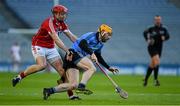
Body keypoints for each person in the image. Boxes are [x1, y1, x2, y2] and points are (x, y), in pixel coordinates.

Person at [11, 5, 80, 100]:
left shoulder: (62, 23)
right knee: (42, 65)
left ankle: (71, 96)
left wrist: (82, 44)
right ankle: (19, 77)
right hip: (38, 46)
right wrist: (67, 51)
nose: (64, 16)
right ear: (55, 14)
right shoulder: (49, 23)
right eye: (62, 14)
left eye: (65, 14)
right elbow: (56, 39)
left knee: (62, 72)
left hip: (51, 48)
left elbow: (71, 36)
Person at [42, 24, 119, 100]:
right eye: (108, 35)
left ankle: (49, 91)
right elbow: (82, 43)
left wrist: (108, 67)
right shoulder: (91, 35)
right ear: (102, 32)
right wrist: (91, 53)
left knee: (73, 85)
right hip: (72, 54)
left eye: (110, 35)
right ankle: (82, 86)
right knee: (91, 68)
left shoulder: (100, 44)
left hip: (76, 58)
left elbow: (98, 56)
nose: (109, 37)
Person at [143, 15, 170, 86]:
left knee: (152, 64)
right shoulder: (151, 28)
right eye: (156, 19)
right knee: (157, 61)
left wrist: (165, 37)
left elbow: (168, 36)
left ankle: (145, 79)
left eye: (159, 19)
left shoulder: (164, 28)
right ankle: (156, 80)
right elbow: (145, 33)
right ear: (154, 20)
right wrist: (147, 39)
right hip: (151, 47)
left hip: (159, 48)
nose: (158, 21)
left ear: (160, 20)